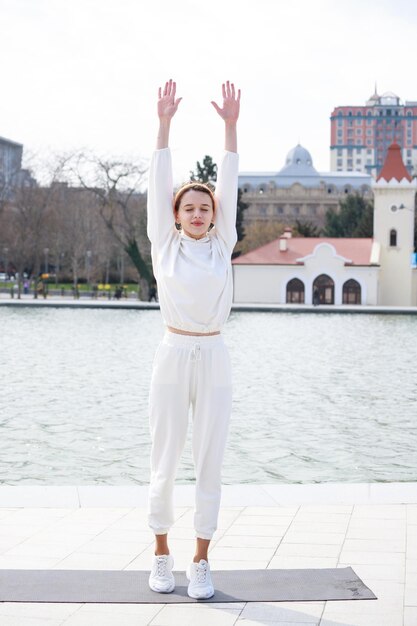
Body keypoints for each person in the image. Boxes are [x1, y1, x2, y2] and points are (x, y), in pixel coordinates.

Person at [146, 79, 240, 599]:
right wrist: (164, 125)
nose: (200, 213)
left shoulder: (223, 244)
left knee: (210, 456)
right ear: (177, 216)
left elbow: (229, 180)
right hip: (173, 351)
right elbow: (159, 178)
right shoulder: (165, 245)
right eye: (190, 208)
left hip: (215, 354)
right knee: (165, 454)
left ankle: (201, 560)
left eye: (206, 207)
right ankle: (161, 554)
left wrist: (230, 127)